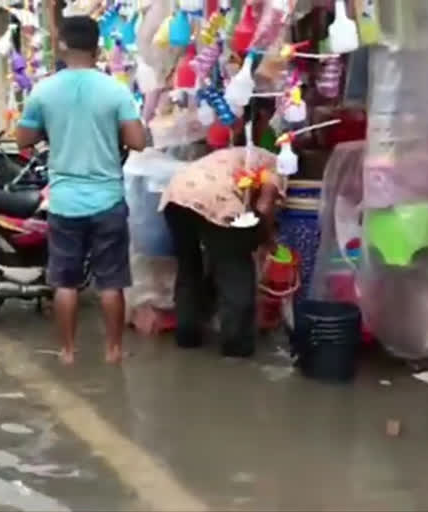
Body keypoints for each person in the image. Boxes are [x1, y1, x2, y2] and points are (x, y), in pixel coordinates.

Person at [16, 16, 146, 365]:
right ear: (97, 46)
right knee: (111, 282)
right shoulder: (115, 90)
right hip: (108, 199)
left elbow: (23, 140)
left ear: (61, 45)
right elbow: (138, 141)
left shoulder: (43, 91)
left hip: (64, 201)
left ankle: (68, 352)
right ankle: (114, 351)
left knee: (65, 282)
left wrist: (50, 128)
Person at [159, 101, 284, 358]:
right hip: (216, 199)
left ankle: (187, 336)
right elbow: (265, 204)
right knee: (235, 269)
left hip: (176, 195)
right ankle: (236, 347)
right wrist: (265, 237)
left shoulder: (237, 153)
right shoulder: (276, 167)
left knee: (189, 266)